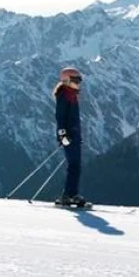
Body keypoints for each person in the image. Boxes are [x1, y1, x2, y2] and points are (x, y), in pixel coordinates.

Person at [53, 66, 87, 207]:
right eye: (75, 79)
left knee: (76, 166)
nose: (78, 82)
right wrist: (62, 136)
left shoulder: (71, 95)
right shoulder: (64, 95)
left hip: (74, 136)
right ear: (67, 80)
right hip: (68, 137)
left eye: (79, 80)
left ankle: (72, 194)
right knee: (73, 166)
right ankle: (68, 195)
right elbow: (60, 117)